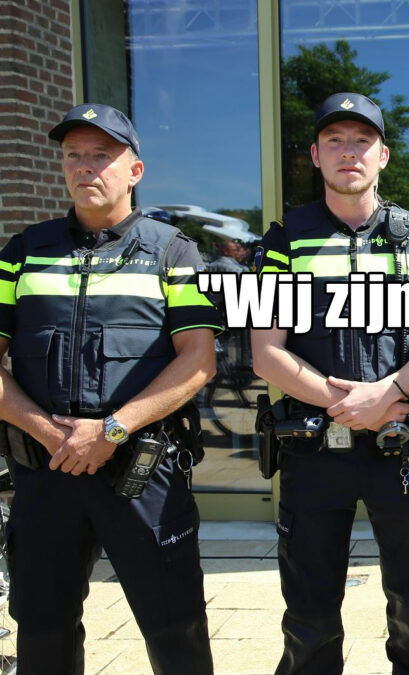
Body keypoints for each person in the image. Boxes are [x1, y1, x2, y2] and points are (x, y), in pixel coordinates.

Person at [0, 103, 221, 674]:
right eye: (74, 155)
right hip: (46, 473)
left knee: (177, 633)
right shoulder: (23, 253)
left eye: (102, 155)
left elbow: (198, 362)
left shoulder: (172, 251)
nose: (85, 166)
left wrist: (111, 430)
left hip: (141, 475)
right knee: (43, 634)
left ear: (134, 171)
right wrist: (51, 434)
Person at [251, 92, 409, 675]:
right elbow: (265, 353)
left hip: (401, 448)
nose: (349, 152)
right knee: (309, 614)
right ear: (315, 155)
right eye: (335, 141)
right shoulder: (285, 239)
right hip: (314, 450)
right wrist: (348, 405)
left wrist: (386, 396)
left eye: (362, 141)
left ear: (383, 155)